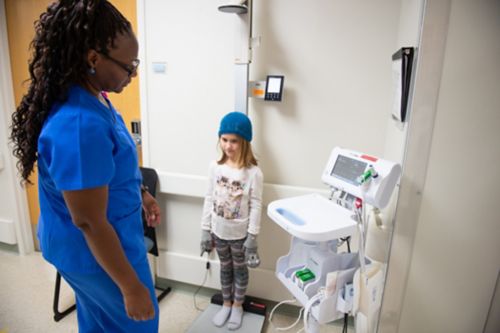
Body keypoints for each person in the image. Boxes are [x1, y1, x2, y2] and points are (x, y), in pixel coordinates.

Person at [10, 1, 160, 332]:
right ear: (93, 58)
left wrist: (141, 191)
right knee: (136, 323)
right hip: (99, 255)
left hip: (106, 240)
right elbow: (89, 221)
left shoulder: (95, 97)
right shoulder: (79, 124)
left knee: (97, 322)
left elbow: (107, 167)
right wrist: (131, 287)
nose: (132, 75)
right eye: (128, 66)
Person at [200, 112, 264, 330]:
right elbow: (209, 198)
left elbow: (256, 205)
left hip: (240, 235)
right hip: (219, 232)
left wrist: (252, 237)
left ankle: (238, 305)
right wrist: (205, 230)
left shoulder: (253, 173)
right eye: (224, 139)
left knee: (240, 270)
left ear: (244, 142)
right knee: (225, 269)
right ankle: (226, 303)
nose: (228, 145)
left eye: (234, 141)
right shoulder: (215, 168)